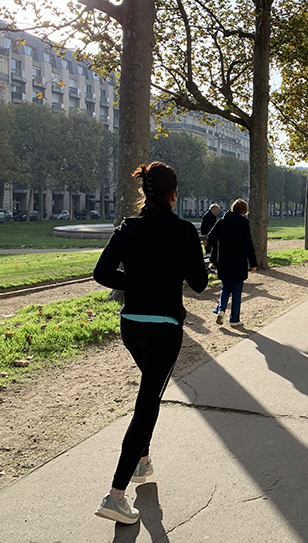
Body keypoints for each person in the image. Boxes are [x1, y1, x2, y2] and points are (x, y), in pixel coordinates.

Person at [92, 161, 208, 525]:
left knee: (149, 390)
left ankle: (142, 460)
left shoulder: (128, 228)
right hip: (165, 327)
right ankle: (115, 495)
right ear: (174, 195)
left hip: (132, 327)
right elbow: (201, 283)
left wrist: (137, 282)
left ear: (146, 192)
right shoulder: (185, 231)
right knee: (147, 405)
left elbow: (102, 273)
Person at [207, 198, 257, 328]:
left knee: (225, 287)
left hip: (224, 260)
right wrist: (253, 263)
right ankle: (234, 319)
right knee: (236, 290)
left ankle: (221, 309)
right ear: (243, 211)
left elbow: (211, 236)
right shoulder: (244, 225)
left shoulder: (221, 222)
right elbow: (248, 245)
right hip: (239, 261)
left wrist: (217, 248)